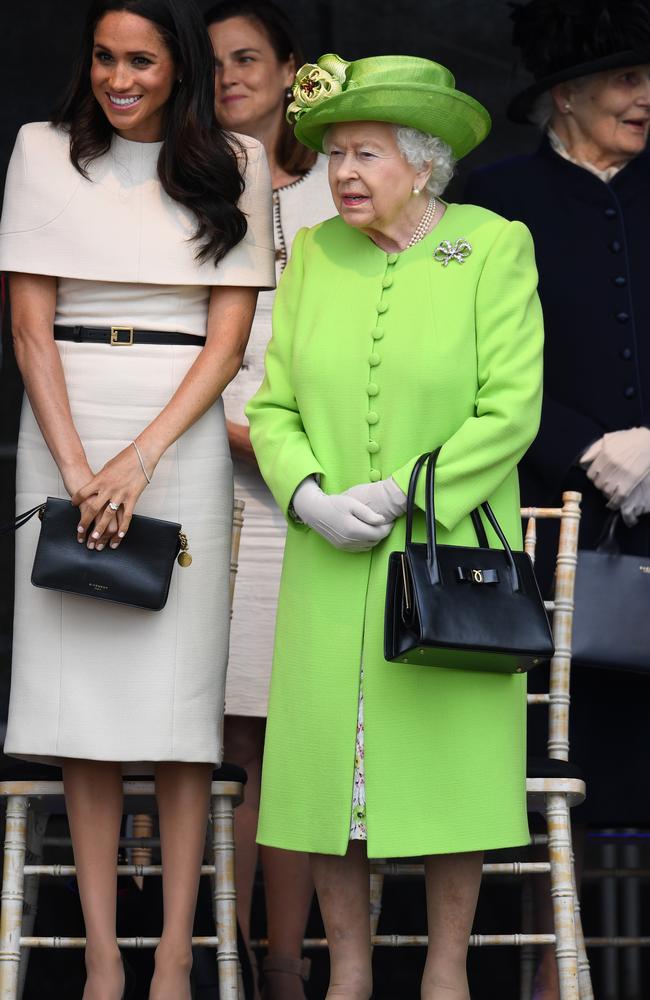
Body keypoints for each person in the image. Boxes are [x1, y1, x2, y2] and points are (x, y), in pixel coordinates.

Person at [246, 52, 544, 1000]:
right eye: (333, 154)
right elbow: (273, 407)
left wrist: (410, 491)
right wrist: (309, 499)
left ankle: (445, 978)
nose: (341, 174)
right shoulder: (315, 257)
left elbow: (511, 408)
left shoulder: (491, 246)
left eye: (365, 153)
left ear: (421, 162)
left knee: (451, 774)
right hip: (331, 565)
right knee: (335, 784)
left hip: (446, 557)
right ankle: (348, 980)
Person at [0, 0, 274, 996]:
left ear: (178, 70)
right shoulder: (40, 150)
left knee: (178, 708)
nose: (120, 78)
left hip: (178, 438)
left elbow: (227, 341)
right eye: (107, 59)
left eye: (143, 62)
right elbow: (30, 331)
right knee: (84, 711)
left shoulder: (232, 163)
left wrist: (141, 461)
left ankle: (172, 963)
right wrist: (79, 471)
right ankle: (104, 963)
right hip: (63, 424)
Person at [465, 2, 650, 997]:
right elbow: (469, 366)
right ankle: (548, 980)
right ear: (561, 95)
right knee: (548, 773)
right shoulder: (491, 200)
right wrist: (583, 445)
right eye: (622, 77)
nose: (643, 96)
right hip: (546, 532)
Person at [204, 4, 333, 997]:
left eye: (247, 59)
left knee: (298, 731)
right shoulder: (193, 190)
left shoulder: (343, 187)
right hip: (219, 481)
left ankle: (286, 967)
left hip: (320, 496)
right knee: (232, 736)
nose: (227, 78)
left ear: (293, 70)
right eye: (211, 64)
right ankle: (225, 960)